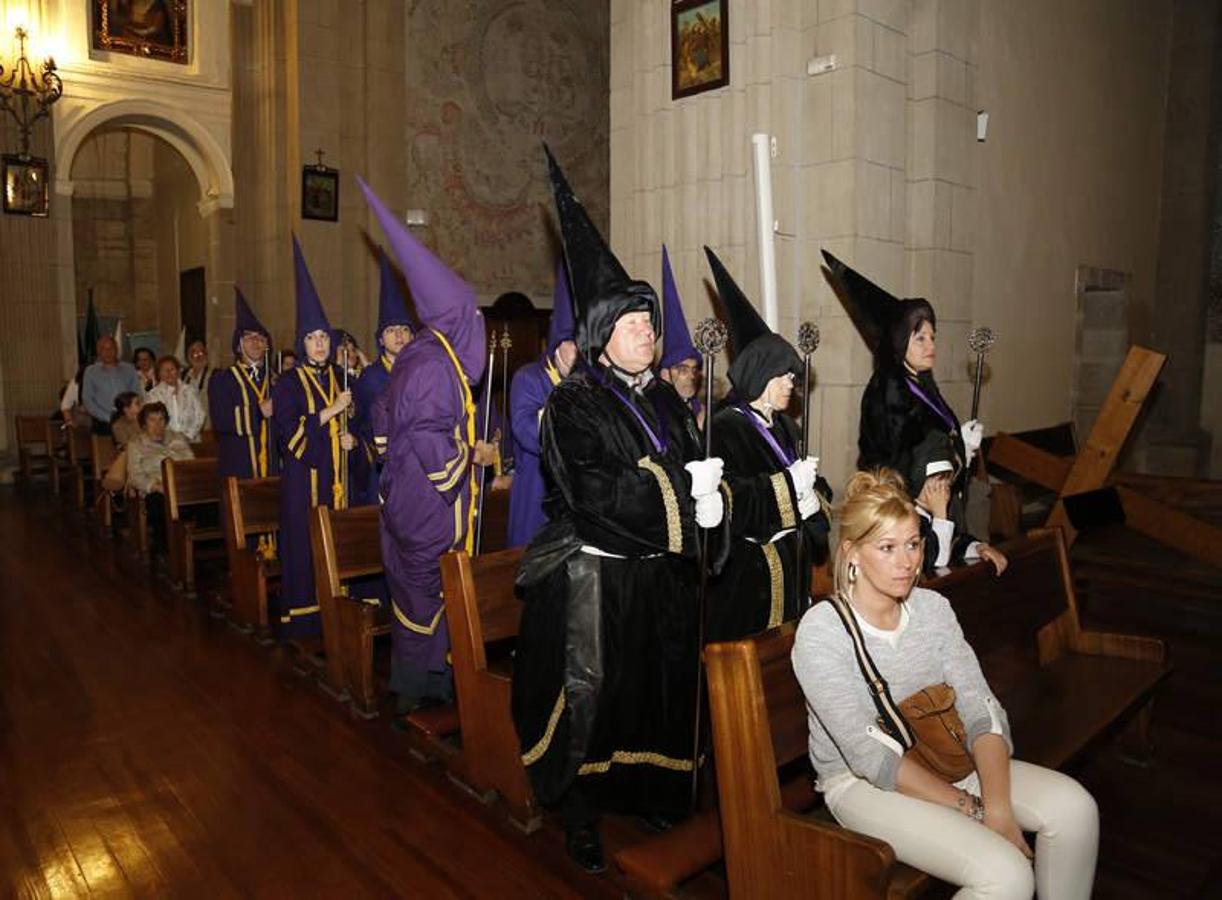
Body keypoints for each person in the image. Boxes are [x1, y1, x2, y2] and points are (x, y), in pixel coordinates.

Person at [510, 147, 727, 873]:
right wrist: (680, 496)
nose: (649, 332)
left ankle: (648, 788)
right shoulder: (572, 402)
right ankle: (578, 813)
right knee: (591, 701)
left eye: (651, 322)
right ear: (602, 333)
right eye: (635, 322)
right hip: (592, 581)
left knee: (654, 687)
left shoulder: (665, 396)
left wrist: (704, 492)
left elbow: (682, 465)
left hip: (654, 576)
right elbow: (597, 495)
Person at [792, 469, 1098, 899]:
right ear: (852, 553)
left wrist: (997, 806)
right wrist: (974, 811)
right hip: (862, 782)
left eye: (913, 544)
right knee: (1006, 876)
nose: (908, 562)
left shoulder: (932, 608)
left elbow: (980, 705)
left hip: (945, 754)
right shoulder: (823, 630)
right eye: (888, 548)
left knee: (1075, 809)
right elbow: (868, 754)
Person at [359, 177, 492, 716]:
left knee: (420, 591)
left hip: (408, 497)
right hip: (427, 504)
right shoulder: (436, 363)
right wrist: (466, 462)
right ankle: (417, 688)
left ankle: (428, 678)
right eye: (473, 316)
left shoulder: (421, 353)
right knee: (424, 590)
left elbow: (386, 419)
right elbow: (428, 435)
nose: (476, 324)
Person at [822, 251, 1007, 575]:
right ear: (899, 340)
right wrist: (932, 506)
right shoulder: (888, 390)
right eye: (919, 337)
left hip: (936, 508)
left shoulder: (921, 384)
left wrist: (961, 445)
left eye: (933, 336)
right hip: (905, 514)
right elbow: (895, 456)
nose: (930, 344)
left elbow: (930, 445)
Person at [703, 246, 831, 641]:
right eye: (785, 376)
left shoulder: (787, 429)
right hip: (746, 581)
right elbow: (728, 500)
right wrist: (788, 488)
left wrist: (814, 500)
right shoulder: (724, 428)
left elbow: (818, 487)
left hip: (791, 574)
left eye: (794, 378)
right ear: (759, 375)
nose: (792, 385)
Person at [271, 237, 358, 640]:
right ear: (301, 343)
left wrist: (350, 440)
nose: (320, 344)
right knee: (306, 546)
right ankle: (307, 618)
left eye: (325, 337)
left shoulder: (340, 378)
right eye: (313, 338)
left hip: (337, 480)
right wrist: (332, 412)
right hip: (304, 482)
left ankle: (339, 610)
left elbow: (351, 425)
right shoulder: (287, 382)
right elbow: (290, 434)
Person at [505, 261, 577, 548]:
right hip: (536, 493)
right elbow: (527, 434)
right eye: (573, 344)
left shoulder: (587, 382)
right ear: (556, 345)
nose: (579, 353)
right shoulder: (528, 378)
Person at [351, 249, 416, 508]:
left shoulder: (423, 374)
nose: (399, 335)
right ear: (380, 339)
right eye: (391, 330)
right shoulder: (370, 379)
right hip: (382, 472)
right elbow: (359, 425)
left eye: (404, 329)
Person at [208, 289, 277, 480]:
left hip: (275, 468)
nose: (256, 342)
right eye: (249, 337)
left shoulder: (278, 380)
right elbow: (222, 421)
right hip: (238, 466)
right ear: (238, 346)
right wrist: (257, 412)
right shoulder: (222, 379)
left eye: (261, 338)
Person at [126, 401, 194, 555]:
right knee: (159, 503)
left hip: (182, 488)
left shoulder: (178, 438)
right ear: (144, 423)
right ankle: (166, 551)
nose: (157, 425)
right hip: (156, 489)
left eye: (161, 419)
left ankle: (198, 549)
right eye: (152, 420)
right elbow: (135, 476)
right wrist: (156, 486)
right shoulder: (136, 444)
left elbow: (191, 462)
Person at [657, 244, 704, 429]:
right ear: (664, 374)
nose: (690, 377)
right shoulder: (655, 413)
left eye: (694, 370)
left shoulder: (700, 409)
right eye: (682, 369)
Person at [82, 335, 142, 434]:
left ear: (117, 349)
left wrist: (131, 414)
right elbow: (88, 400)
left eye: (111, 348)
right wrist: (108, 417)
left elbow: (136, 393)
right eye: (103, 349)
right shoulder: (90, 372)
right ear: (98, 351)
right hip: (102, 422)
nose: (107, 352)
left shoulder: (129, 369)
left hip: (128, 419)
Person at [147, 355, 206, 442]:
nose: (168, 372)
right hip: (164, 443)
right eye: (164, 370)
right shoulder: (153, 395)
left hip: (191, 441)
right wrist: (170, 438)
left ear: (178, 371)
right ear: (158, 374)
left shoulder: (190, 390)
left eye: (172, 369)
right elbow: (152, 420)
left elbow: (200, 415)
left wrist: (188, 435)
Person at [182, 340, 214, 429]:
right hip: (187, 426)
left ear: (206, 355)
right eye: (193, 352)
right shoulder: (182, 376)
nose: (197, 356)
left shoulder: (215, 375)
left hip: (208, 426)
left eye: (201, 352)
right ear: (188, 356)